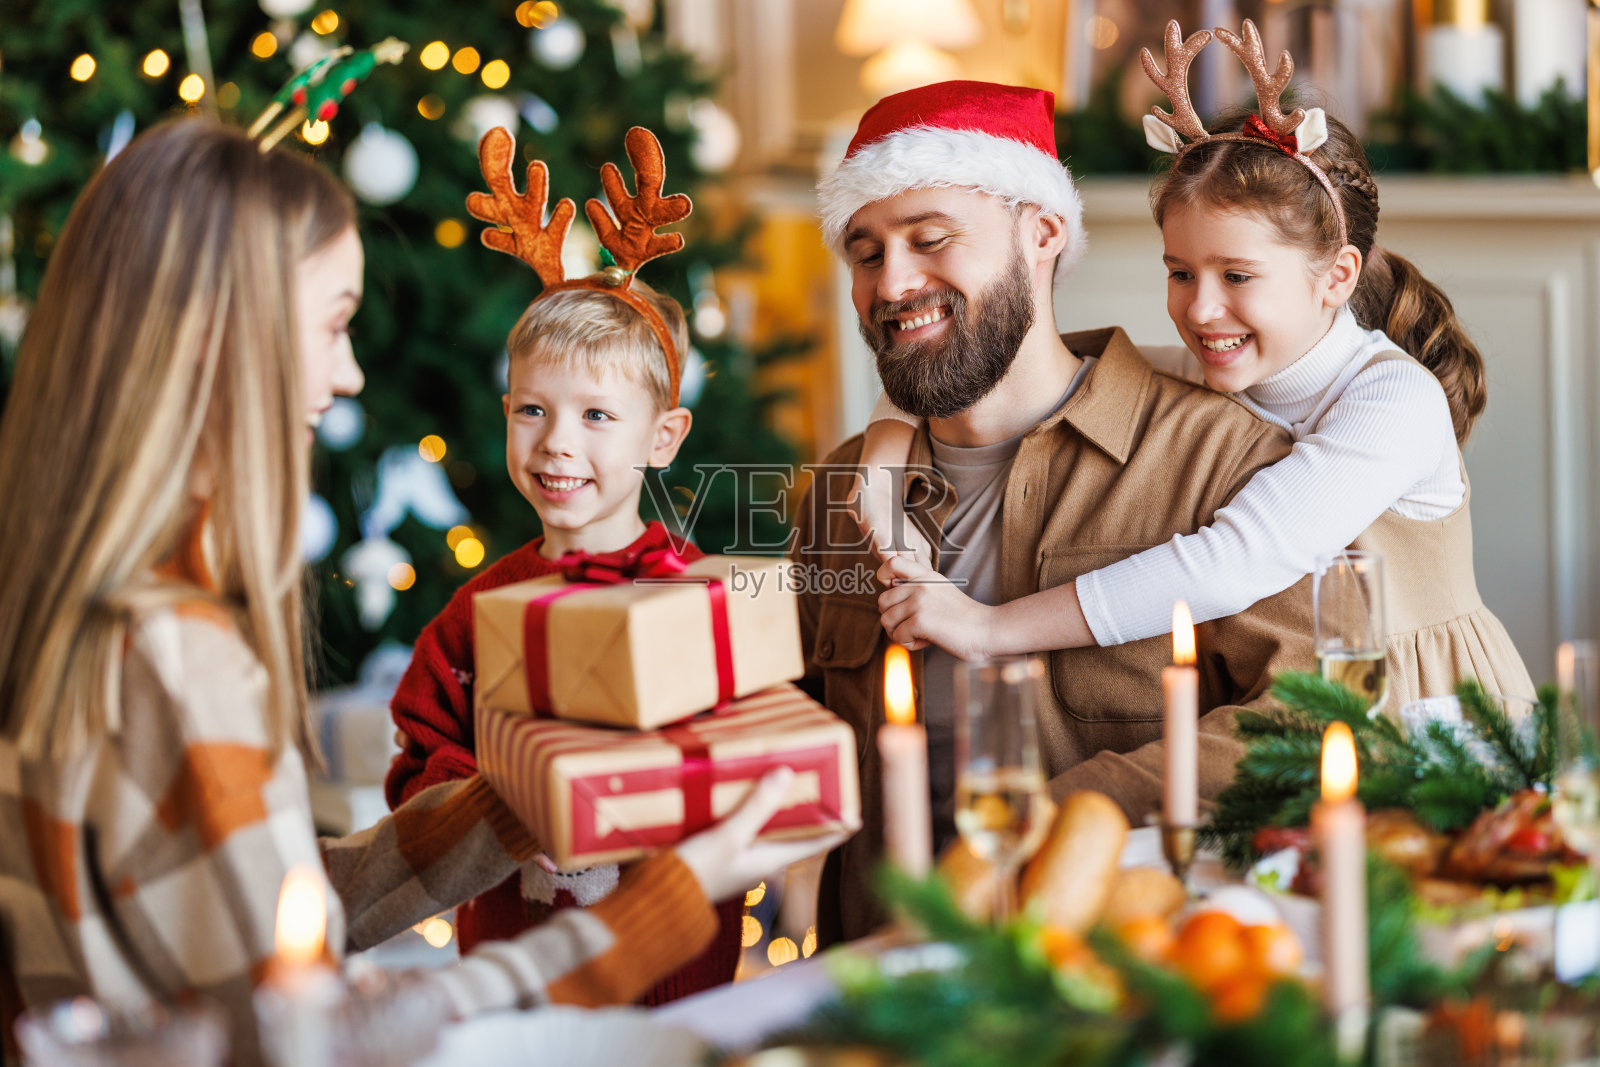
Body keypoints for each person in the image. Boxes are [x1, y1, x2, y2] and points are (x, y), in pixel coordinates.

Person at [0, 118, 840, 1065]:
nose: (352, 371)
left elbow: (276, 914)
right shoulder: (177, 652)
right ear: (216, 340)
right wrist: (666, 900)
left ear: (663, 433)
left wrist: (533, 793)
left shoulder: (91, 617)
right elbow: (310, 1034)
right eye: (332, 323)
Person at [853, 22, 1533, 710]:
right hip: (1332, 704)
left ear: (1337, 276)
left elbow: (1236, 559)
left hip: (1435, 707)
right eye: (1180, 272)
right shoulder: (1208, 369)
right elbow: (991, 370)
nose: (1202, 309)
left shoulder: (1395, 401)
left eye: (1237, 275)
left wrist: (989, 626)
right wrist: (881, 468)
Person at [795, 78, 1315, 945]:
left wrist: (1073, 811)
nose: (892, 282)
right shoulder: (845, 485)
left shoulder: (1217, 460)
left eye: (930, 239)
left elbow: (1309, 717)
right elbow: (792, 727)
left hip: (1126, 986)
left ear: (1042, 233)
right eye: (865, 253)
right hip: (882, 990)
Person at [385, 277, 745, 1000]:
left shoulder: (701, 598)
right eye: (533, 410)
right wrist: (489, 807)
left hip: (675, 983)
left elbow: (753, 751)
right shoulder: (477, 610)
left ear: (663, 437)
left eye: (597, 414)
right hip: (517, 985)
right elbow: (417, 763)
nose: (557, 442)